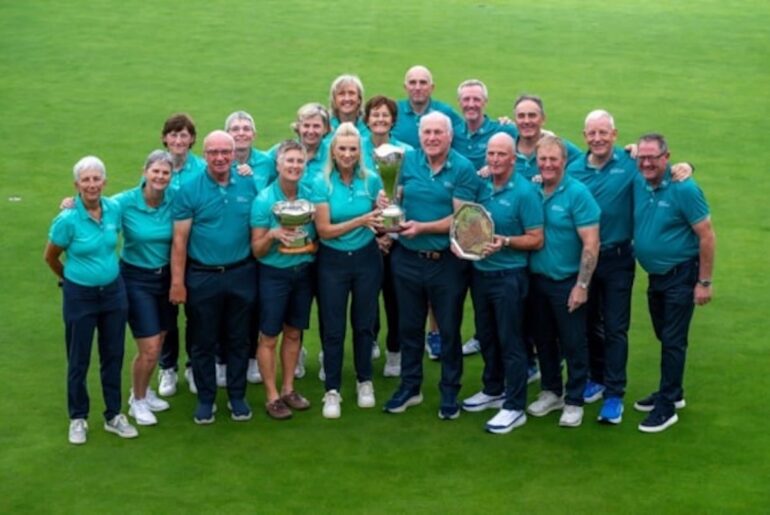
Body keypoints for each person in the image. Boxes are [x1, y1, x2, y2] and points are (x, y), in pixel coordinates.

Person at [567, 110, 694, 424]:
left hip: (618, 260)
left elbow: (664, 170)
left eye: (603, 133)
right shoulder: (573, 169)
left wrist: (688, 166)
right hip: (585, 259)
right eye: (592, 133)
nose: (597, 139)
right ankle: (596, 378)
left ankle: (614, 393)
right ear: (584, 136)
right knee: (586, 325)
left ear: (614, 134)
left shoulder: (631, 164)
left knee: (615, 327)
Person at [383, 111, 480, 420]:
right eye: (427, 133)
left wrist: (422, 227)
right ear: (420, 135)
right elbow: (392, 197)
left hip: (446, 262)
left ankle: (449, 392)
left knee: (449, 329)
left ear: (449, 136)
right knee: (409, 328)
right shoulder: (407, 162)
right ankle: (410, 387)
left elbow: (462, 218)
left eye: (439, 132)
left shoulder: (462, 168)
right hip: (407, 259)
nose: (432, 138)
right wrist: (385, 207)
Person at [44, 156, 138, 444]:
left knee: (113, 355)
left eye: (97, 178)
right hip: (80, 296)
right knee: (79, 358)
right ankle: (78, 417)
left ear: (104, 182)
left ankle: (113, 415)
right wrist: (69, 279)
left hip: (113, 293)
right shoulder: (67, 219)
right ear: (77, 185)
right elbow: (51, 256)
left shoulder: (113, 209)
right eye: (86, 180)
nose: (92, 184)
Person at [170, 130, 259, 424]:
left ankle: (237, 396)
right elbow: (180, 241)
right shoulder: (190, 189)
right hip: (203, 276)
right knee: (202, 340)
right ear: (204, 155)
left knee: (239, 339)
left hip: (241, 272)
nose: (220, 158)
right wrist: (178, 282)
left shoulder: (248, 183)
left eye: (225, 152)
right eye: (213, 152)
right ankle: (206, 399)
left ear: (234, 154)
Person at [457, 133, 543, 434]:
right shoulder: (482, 186)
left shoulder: (525, 193)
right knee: (487, 336)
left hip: (510, 277)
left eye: (500, 155)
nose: (494, 159)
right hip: (481, 274)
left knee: (511, 341)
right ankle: (493, 388)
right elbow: (470, 223)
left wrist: (505, 241)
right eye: (490, 154)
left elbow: (536, 238)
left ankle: (515, 406)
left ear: (513, 158)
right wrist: (462, 244)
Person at [632, 133, 715, 433]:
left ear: (666, 158)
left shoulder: (684, 188)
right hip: (657, 277)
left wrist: (704, 282)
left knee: (673, 340)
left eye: (653, 157)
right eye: (642, 157)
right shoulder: (640, 178)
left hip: (682, 275)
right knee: (663, 334)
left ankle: (666, 406)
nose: (646, 162)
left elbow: (706, 235)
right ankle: (673, 391)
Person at [311, 122, 384, 418]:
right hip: (332, 261)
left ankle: (364, 380)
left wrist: (380, 219)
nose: (348, 154)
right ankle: (332, 389)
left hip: (367, 258)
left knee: (365, 322)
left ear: (360, 151)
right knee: (333, 326)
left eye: (353, 149)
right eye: (342, 148)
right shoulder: (321, 182)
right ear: (333, 150)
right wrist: (361, 220)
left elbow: (381, 220)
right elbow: (325, 230)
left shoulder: (373, 180)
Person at [526, 135, 600, 428]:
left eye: (553, 160)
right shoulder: (533, 189)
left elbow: (591, 243)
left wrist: (581, 285)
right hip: (536, 281)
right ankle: (552, 391)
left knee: (573, 342)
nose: (547, 165)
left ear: (564, 162)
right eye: (542, 159)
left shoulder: (578, 193)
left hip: (567, 281)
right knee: (543, 340)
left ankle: (574, 400)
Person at [450, 79, 519, 357]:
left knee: (495, 288)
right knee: (469, 286)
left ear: (485, 103)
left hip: (497, 216)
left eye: (476, 99)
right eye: (466, 99)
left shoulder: (503, 130)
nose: (471, 104)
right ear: (459, 103)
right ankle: (479, 336)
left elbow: (541, 137)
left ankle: (509, 347)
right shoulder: (453, 133)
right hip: (464, 221)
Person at [250, 140, 315, 420]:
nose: (294, 166)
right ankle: (272, 396)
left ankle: (289, 388)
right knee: (269, 336)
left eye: (299, 161)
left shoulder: (310, 195)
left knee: (294, 333)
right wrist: (273, 235)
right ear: (278, 164)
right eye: (289, 161)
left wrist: (309, 245)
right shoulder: (264, 200)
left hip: (302, 272)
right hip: (273, 274)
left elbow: (318, 237)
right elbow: (257, 249)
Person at [111, 150, 175, 426]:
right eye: (155, 171)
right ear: (145, 171)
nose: (160, 177)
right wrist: (70, 204)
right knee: (149, 347)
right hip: (136, 279)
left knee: (159, 340)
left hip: (166, 278)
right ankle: (136, 400)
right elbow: (95, 207)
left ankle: (145, 390)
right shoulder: (125, 202)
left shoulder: (175, 200)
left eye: (165, 173)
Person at [225, 110, 278, 385]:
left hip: (262, 242)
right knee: (234, 306)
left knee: (258, 302)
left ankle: (255, 359)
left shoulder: (267, 162)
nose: (241, 133)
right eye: (236, 128)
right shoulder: (217, 160)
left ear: (254, 135)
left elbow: (275, 198)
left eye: (246, 128)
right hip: (231, 244)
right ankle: (225, 359)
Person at [363, 95, 413, 377]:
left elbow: (409, 195)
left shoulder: (407, 151)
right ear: (367, 119)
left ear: (393, 120)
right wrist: (373, 233)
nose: (380, 119)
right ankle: (369, 340)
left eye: (385, 115)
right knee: (367, 296)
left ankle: (395, 351)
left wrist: (390, 236)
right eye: (375, 115)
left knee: (395, 298)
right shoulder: (355, 150)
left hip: (398, 238)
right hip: (366, 236)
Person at [157, 113, 206, 397]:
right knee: (167, 315)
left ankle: (193, 366)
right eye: (173, 135)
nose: (178, 140)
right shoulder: (158, 166)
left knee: (196, 314)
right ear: (165, 138)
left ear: (192, 140)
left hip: (195, 251)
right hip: (163, 253)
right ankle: (168, 367)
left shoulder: (201, 168)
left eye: (184, 135)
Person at [391, 65, 462, 148]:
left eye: (423, 82)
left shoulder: (445, 112)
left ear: (432, 87)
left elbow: (463, 139)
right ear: (405, 87)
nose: (417, 88)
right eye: (412, 83)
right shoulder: (393, 110)